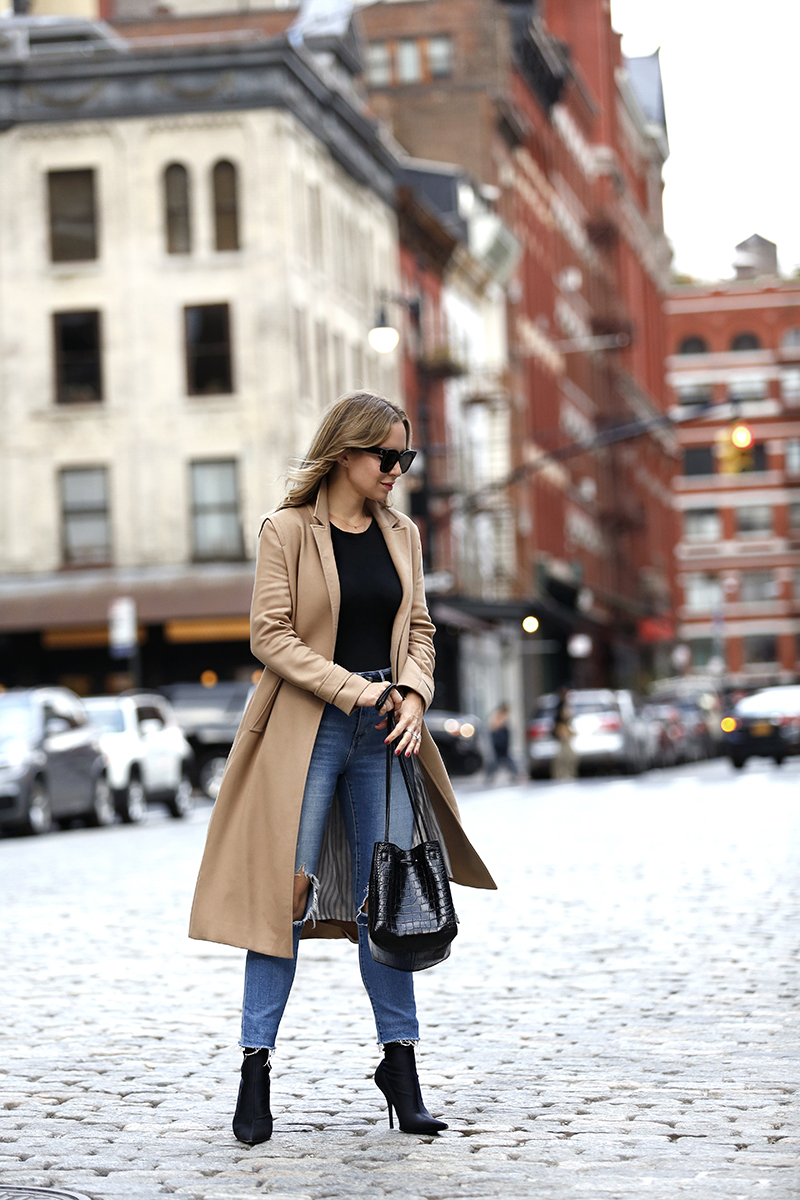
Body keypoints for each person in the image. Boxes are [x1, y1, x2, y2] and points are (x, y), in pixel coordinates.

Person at [189, 391, 496, 1144]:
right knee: (282, 901)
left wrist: (416, 695)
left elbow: (420, 629)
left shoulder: (404, 535)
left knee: (387, 902)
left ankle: (402, 1068)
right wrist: (355, 689)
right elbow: (271, 635)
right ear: (344, 454)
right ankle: (255, 1072)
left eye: (405, 457)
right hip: (307, 729)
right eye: (386, 456)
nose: (397, 470)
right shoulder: (287, 531)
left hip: (387, 736)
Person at [485, 703, 519, 781]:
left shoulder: (503, 716)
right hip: (499, 738)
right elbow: (494, 727)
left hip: (502, 738)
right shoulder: (498, 716)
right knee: (498, 759)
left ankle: (515, 774)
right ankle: (489, 775)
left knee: (504, 758)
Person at [551, 686, 577, 781]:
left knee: (569, 755)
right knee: (564, 755)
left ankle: (567, 774)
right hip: (562, 733)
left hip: (565, 733)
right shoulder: (560, 705)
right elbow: (560, 720)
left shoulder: (565, 704)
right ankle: (561, 774)